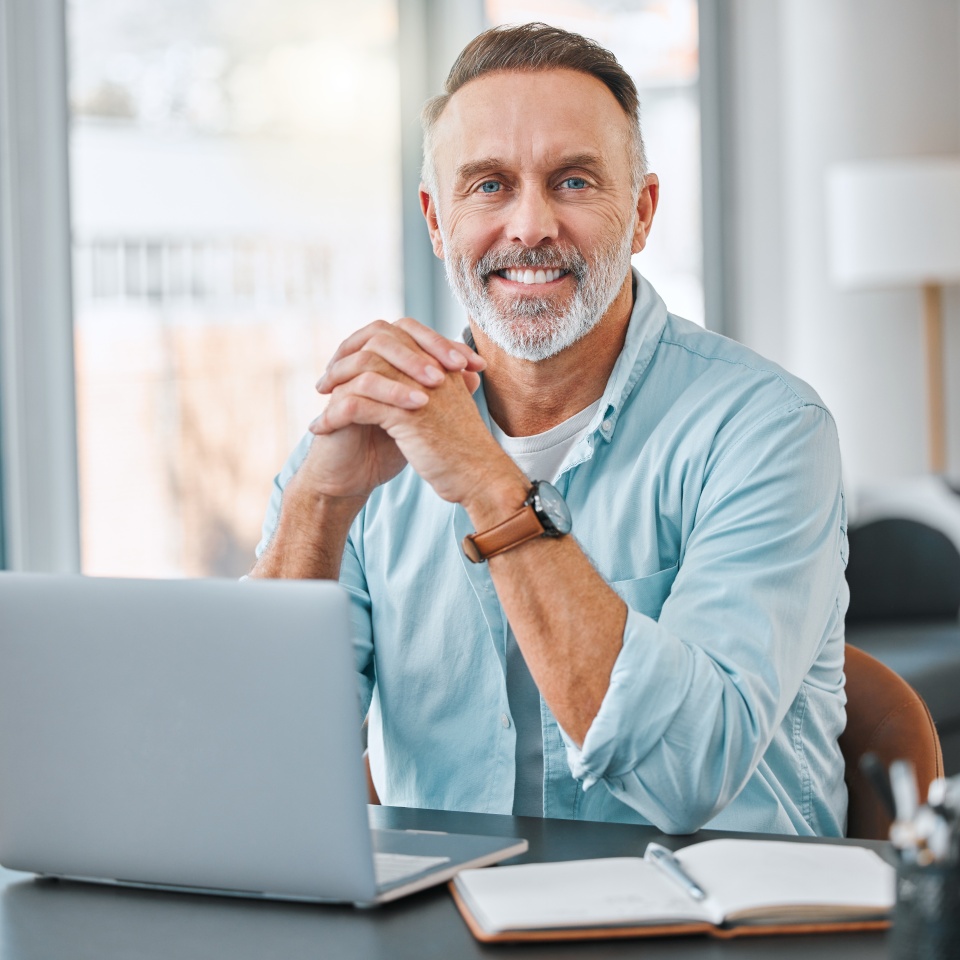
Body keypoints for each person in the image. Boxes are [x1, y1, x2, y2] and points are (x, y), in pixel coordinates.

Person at [251, 23, 849, 836]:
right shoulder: (366, 435)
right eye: (490, 186)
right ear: (436, 219)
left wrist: (488, 483)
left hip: (717, 929)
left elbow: (689, 776)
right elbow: (263, 760)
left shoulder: (770, 431)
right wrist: (319, 505)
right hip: (451, 923)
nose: (529, 226)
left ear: (640, 214)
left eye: (571, 181)